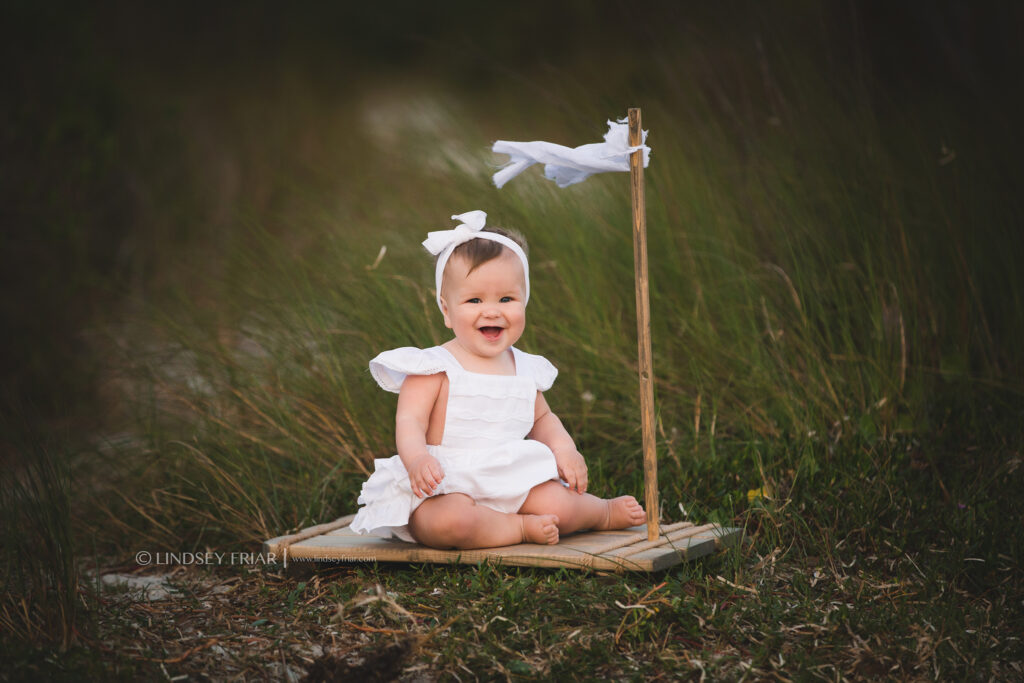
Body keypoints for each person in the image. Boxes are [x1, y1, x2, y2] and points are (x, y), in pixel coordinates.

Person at [350, 210, 646, 549]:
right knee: (451, 523)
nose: (492, 311)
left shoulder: (523, 368)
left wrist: (565, 449)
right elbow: (410, 420)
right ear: (446, 310)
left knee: (560, 504)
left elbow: (542, 419)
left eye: (506, 299)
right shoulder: (433, 367)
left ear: (525, 301)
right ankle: (518, 528)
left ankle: (602, 513)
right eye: (474, 300)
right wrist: (417, 460)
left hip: (511, 478)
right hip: (444, 485)